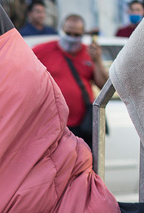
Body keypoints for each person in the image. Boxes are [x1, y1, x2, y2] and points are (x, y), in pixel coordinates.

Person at [30, 14, 108, 146]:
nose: (71, 38)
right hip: (52, 124)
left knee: (84, 164)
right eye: (68, 33)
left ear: (83, 34)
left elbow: (104, 86)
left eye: (76, 34)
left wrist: (97, 61)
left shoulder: (89, 53)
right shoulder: (43, 50)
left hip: (82, 126)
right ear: (61, 30)